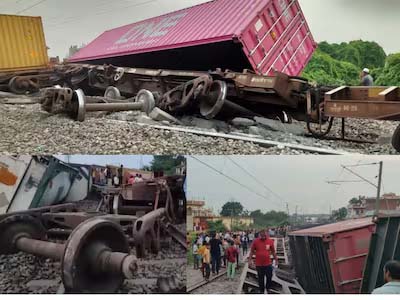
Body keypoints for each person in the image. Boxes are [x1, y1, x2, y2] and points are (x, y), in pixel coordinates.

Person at [250, 229, 278, 294]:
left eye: (264, 235)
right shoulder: (255, 241)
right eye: (262, 235)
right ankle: (261, 290)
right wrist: (250, 260)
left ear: (266, 234)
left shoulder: (270, 241)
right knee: (260, 278)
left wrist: (276, 259)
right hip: (259, 264)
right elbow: (251, 251)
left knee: (269, 276)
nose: (263, 236)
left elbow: (273, 251)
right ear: (260, 234)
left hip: (268, 263)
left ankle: (268, 288)